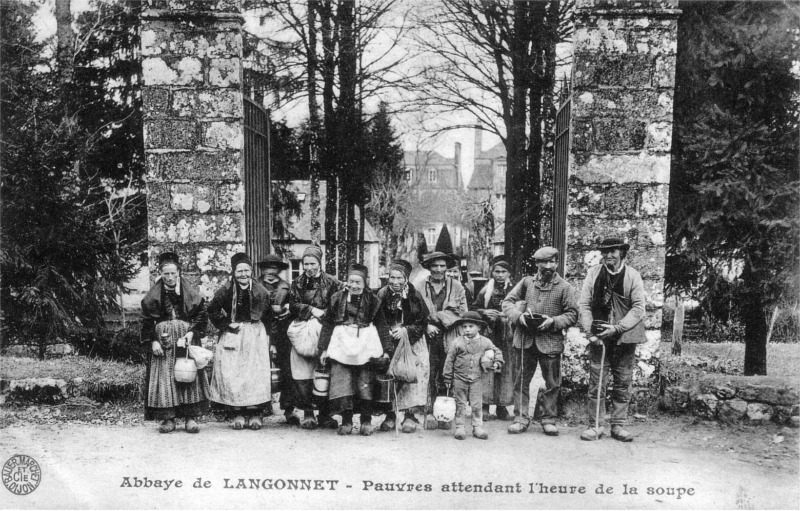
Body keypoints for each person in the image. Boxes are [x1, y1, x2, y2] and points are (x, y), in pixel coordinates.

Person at [502, 246, 578, 436]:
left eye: (552, 262)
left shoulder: (565, 287)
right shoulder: (527, 283)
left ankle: (549, 419)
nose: (548, 266)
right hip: (524, 339)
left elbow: (573, 314)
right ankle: (520, 418)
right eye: (543, 262)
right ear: (536, 264)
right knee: (520, 380)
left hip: (550, 340)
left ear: (557, 263)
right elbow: (507, 303)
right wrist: (518, 317)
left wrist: (554, 321)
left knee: (552, 383)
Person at [578, 237, 646, 442]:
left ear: (622, 253)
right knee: (596, 382)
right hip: (599, 337)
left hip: (624, 337)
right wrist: (591, 333)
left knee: (623, 382)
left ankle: (618, 425)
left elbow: (638, 308)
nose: (609, 255)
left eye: (613, 251)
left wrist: (617, 328)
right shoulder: (593, 274)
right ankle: (595, 425)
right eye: (605, 252)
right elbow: (584, 304)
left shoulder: (633, 276)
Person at [318, 264, 393, 436]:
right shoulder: (337, 298)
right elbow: (328, 323)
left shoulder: (373, 300)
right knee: (343, 383)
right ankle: (346, 421)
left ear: (365, 283)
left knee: (365, 383)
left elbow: (382, 324)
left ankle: (366, 421)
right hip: (341, 342)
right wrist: (323, 349)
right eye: (351, 281)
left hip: (365, 343)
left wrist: (386, 350)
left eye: (358, 282)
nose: (354, 285)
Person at [140, 252, 210, 434]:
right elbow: (146, 320)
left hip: (186, 338)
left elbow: (202, 315)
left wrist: (192, 333)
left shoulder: (190, 293)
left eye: (173, 273)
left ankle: (190, 418)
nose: (170, 278)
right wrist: (153, 341)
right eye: (166, 274)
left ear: (179, 272)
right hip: (164, 343)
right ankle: (168, 419)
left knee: (188, 374)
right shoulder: (153, 296)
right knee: (166, 378)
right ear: (160, 274)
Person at [207, 252, 273, 430]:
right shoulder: (226, 290)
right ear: (234, 272)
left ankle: (256, 413)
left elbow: (268, 316)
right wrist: (227, 324)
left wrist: (268, 338)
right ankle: (237, 412)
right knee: (233, 374)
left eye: (246, 270)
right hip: (233, 334)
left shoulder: (262, 292)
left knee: (255, 375)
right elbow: (212, 310)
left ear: (251, 271)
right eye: (239, 271)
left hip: (255, 335)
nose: (243, 274)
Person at [288, 245, 343, 429]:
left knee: (324, 371)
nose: (309, 267)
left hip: (325, 332)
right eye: (306, 263)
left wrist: (325, 313)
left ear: (320, 263)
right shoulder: (297, 283)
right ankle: (308, 413)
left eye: (313, 263)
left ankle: (325, 414)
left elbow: (339, 304)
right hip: (303, 333)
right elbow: (293, 305)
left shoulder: (333, 283)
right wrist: (311, 310)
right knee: (303, 372)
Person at [376, 259, 430, 433]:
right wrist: (388, 332)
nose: (396, 282)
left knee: (412, 374)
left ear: (406, 278)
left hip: (412, 340)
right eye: (392, 277)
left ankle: (410, 416)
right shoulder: (382, 294)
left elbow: (422, 322)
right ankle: (390, 416)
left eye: (400, 278)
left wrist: (406, 331)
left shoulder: (414, 294)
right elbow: (377, 318)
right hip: (389, 340)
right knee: (391, 375)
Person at [419, 251, 468, 430]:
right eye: (435, 266)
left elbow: (462, 313)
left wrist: (438, 317)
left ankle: (445, 414)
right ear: (429, 268)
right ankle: (429, 412)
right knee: (429, 373)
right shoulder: (419, 287)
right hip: (427, 337)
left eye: (442, 266)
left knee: (447, 373)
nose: (439, 269)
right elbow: (415, 312)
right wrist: (426, 325)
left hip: (450, 335)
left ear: (447, 268)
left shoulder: (457, 287)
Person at [443, 311, 504, 440]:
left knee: (477, 404)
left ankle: (477, 426)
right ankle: (460, 426)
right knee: (460, 403)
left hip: (477, 378)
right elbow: (449, 360)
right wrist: (447, 377)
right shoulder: (457, 342)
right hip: (459, 378)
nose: (467, 330)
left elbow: (496, 351)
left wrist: (497, 362)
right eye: (464, 327)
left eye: (471, 326)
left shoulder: (485, 342)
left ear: (479, 327)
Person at [471, 255, 514, 421]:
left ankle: (502, 407)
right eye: (497, 271)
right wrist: (484, 312)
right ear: (492, 273)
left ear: (509, 273)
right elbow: (474, 308)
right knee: (487, 366)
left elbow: (521, 306)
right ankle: (485, 406)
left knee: (505, 370)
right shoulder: (484, 290)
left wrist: (506, 315)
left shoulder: (514, 289)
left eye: (504, 272)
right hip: (489, 334)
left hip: (506, 335)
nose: (500, 275)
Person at [258, 254, 294, 424]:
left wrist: (288, 309)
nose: (270, 273)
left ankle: (288, 408)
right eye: (267, 269)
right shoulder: (254, 285)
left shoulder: (286, 287)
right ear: (262, 270)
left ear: (279, 270)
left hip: (282, 333)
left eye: (274, 269)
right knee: (259, 369)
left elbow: (295, 306)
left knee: (287, 369)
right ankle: (260, 406)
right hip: (260, 331)